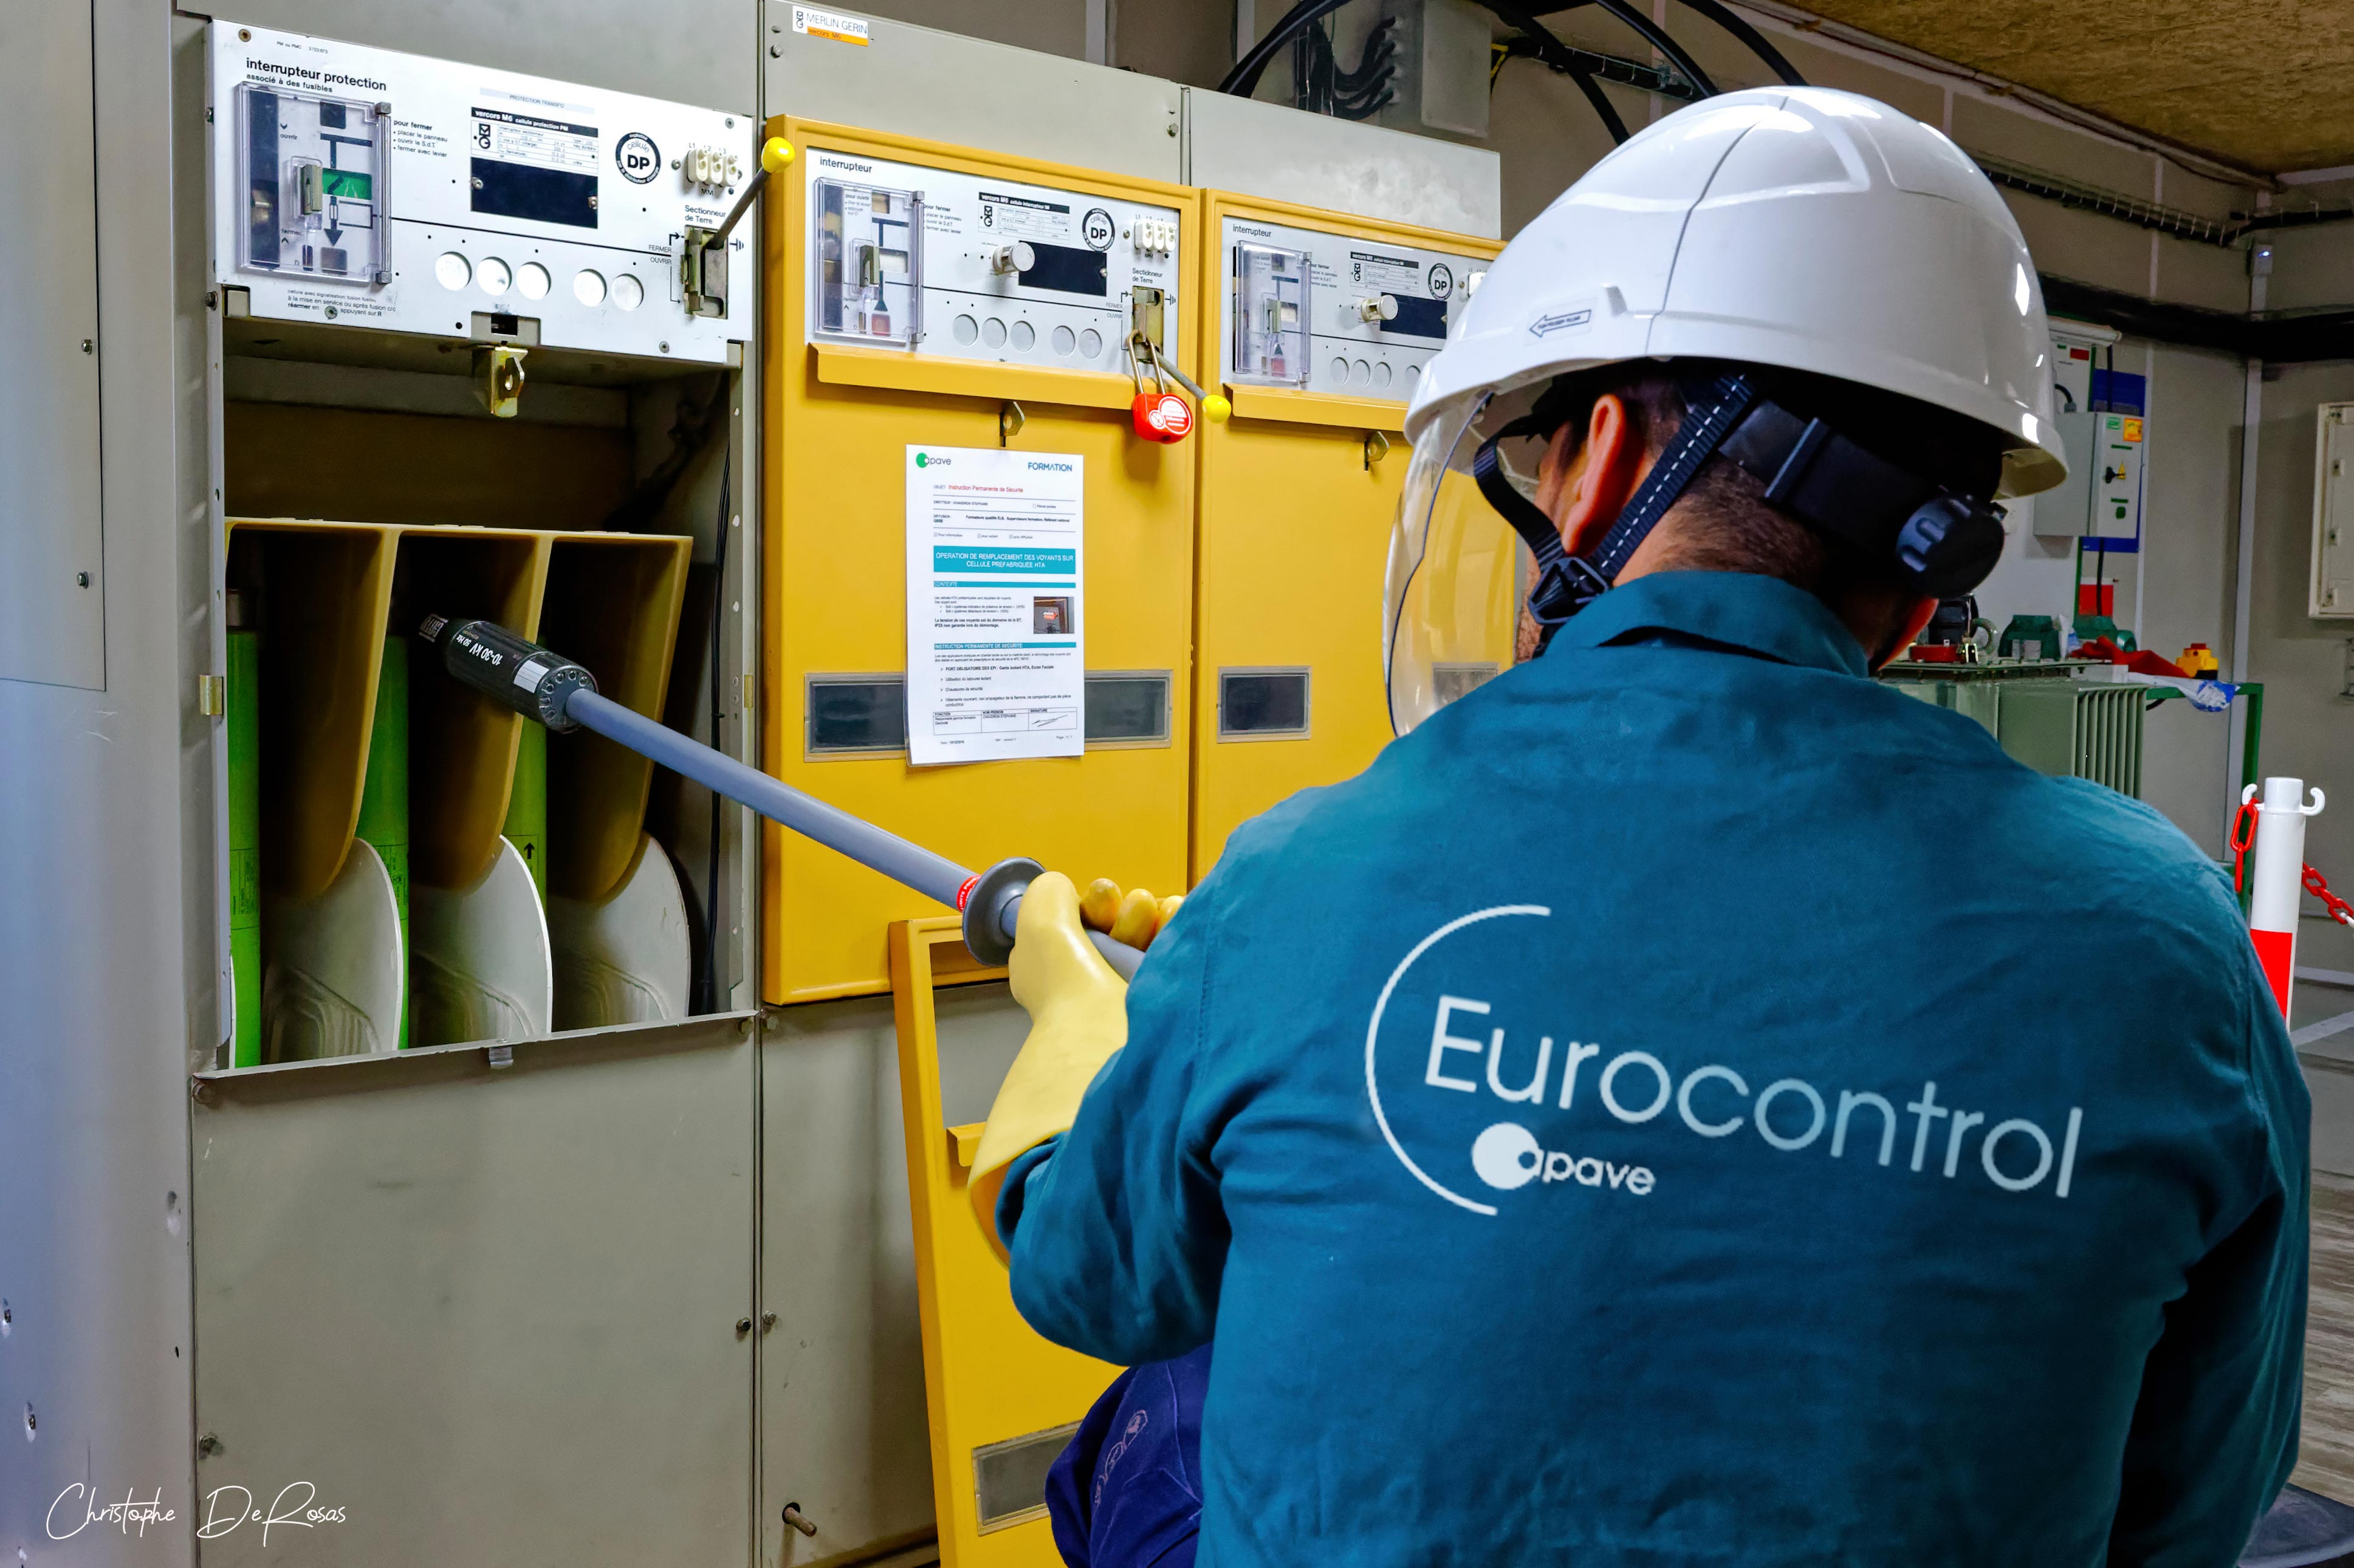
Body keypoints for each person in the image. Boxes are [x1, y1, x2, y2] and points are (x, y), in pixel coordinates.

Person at [968, 85, 2310, 1566]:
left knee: (1161, 1399)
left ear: (1595, 456)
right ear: (1929, 581)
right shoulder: (2164, 942)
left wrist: (1074, 1020)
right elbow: (2195, 1498)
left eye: (1535, 455)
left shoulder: (1307, 869)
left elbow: (1088, 1276)